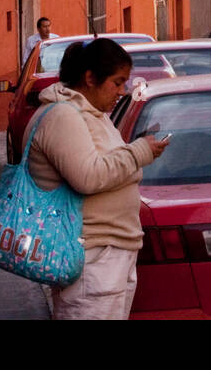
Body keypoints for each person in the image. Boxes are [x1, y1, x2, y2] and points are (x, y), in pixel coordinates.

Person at [26, 37, 170, 319]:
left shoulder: (93, 113)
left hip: (110, 251)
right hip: (92, 255)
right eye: (117, 82)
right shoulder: (63, 116)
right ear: (90, 78)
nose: (122, 90)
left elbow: (107, 166)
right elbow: (89, 177)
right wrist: (139, 152)